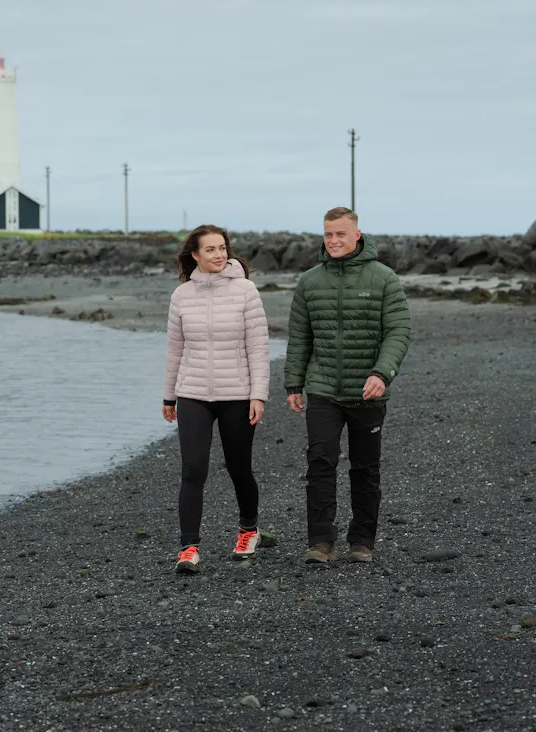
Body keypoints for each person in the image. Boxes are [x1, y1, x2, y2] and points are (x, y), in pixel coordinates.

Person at [285, 207, 412, 564]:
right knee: (320, 464)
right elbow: (300, 337)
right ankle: (320, 543)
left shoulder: (384, 278)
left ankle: (362, 542)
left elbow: (399, 331)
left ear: (357, 235)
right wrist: (293, 383)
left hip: (368, 390)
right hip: (323, 389)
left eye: (341, 234)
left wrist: (381, 374)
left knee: (365, 468)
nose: (334, 240)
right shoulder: (310, 282)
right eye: (328, 234)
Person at [163, 225, 270, 573]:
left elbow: (258, 347)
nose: (219, 255)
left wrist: (258, 395)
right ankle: (188, 548)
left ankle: (249, 530)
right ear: (195, 255)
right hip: (192, 393)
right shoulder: (182, 295)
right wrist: (169, 396)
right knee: (193, 469)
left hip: (237, 394)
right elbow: (174, 349)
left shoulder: (246, 291)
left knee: (239, 468)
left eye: (222, 248)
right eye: (210, 249)